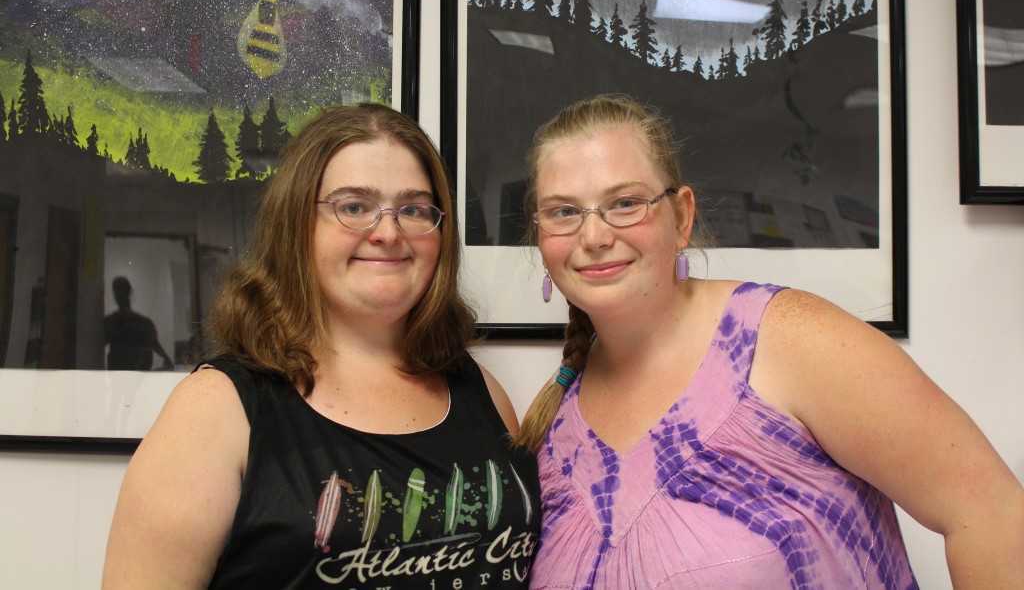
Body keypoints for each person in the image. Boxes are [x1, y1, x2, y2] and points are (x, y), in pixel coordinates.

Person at [515, 94, 1024, 589]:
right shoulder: (555, 425)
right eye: (563, 212)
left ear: (682, 217)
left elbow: (990, 513)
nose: (594, 236)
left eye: (626, 203)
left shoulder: (787, 339)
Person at [103, 104, 540, 589]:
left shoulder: (482, 393)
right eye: (354, 207)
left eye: (414, 209)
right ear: (296, 225)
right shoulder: (215, 410)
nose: (388, 232)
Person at [103, 276, 174, 371]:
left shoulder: (110, 321)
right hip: (139, 370)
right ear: (130, 292)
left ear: (115, 296)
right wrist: (167, 358)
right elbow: (154, 343)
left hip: (118, 370)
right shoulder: (145, 323)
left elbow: (100, 343)